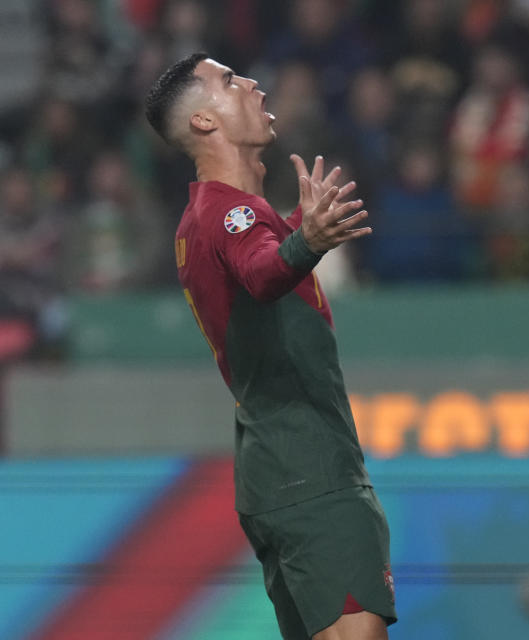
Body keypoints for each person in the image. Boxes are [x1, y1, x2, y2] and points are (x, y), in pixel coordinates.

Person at [144, 53, 396, 640]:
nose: (252, 84)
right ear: (205, 121)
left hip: (275, 473)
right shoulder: (227, 212)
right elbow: (262, 273)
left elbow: (252, 264)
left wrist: (292, 227)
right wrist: (305, 240)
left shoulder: (206, 218)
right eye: (230, 81)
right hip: (311, 472)